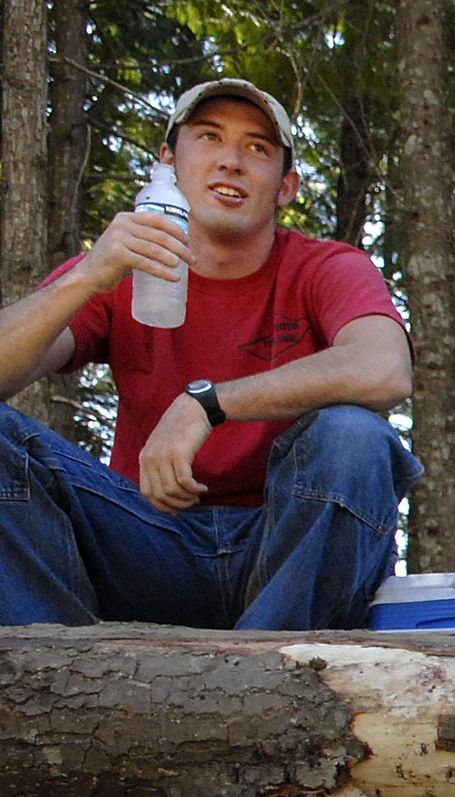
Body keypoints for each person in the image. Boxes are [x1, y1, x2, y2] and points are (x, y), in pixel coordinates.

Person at [0, 78, 417, 630]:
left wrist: (206, 403)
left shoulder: (326, 267)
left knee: (355, 438)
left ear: (286, 185)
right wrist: (84, 278)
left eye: (257, 148)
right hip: (144, 542)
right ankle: (58, 681)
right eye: (209, 136)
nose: (231, 162)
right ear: (168, 161)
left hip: (286, 552)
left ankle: (281, 684)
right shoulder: (118, 268)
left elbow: (383, 367)